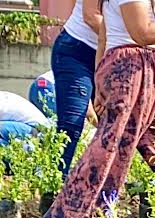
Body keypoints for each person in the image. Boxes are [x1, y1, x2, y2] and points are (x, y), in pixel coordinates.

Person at [41, 0, 155, 218]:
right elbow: (142, 33)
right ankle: (69, 216)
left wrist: (100, 77)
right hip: (130, 70)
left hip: (148, 71)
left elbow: (105, 35)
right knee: (111, 146)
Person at [50, 0, 100, 178]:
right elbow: (91, 17)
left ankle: (99, 189)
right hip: (77, 50)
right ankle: (53, 189)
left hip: (110, 54)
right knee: (70, 125)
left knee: (114, 123)